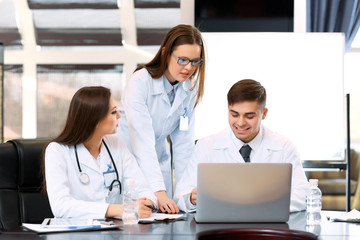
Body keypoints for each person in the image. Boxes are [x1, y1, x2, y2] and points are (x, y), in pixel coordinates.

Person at [174, 79, 310, 213]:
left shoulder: (284, 147)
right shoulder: (206, 146)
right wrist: (191, 199)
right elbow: (180, 197)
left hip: (267, 229)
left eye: (249, 116)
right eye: (234, 114)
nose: (240, 123)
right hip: (220, 230)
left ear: (264, 113)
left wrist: (254, 201)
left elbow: (303, 196)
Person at [116, 24, 206, 214]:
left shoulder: (188, 88)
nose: (189, 68)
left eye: (195, 61)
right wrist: (159, 192)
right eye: (182, 60)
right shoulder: (140, 82)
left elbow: (184, 145)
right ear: (165, 52)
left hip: (159, 163)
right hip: (130, 163)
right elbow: (142, 142)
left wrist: (186, 194)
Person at [44, 86, 157, 219]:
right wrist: (117, 209)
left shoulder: (117, 145)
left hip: (114, 231)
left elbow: (144, 190)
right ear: (95, 120)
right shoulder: (57, 151)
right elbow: (61, 207)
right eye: (114, 112)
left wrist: (146, 204)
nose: (119, 116)